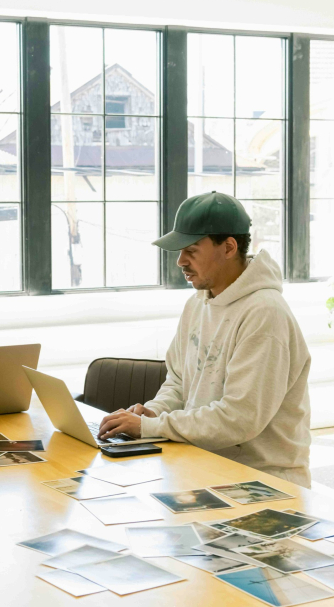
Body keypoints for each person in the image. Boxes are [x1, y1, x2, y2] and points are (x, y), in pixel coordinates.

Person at [98, 192, 311, 487]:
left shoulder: (266, 314)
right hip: (202, 466)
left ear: (228, 247)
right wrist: (155, 410)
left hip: (261, 482)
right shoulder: (198, 303)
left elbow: (239, 418)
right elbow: (179, 381)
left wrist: (150, 427)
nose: (180, 261)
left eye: (191, 250)